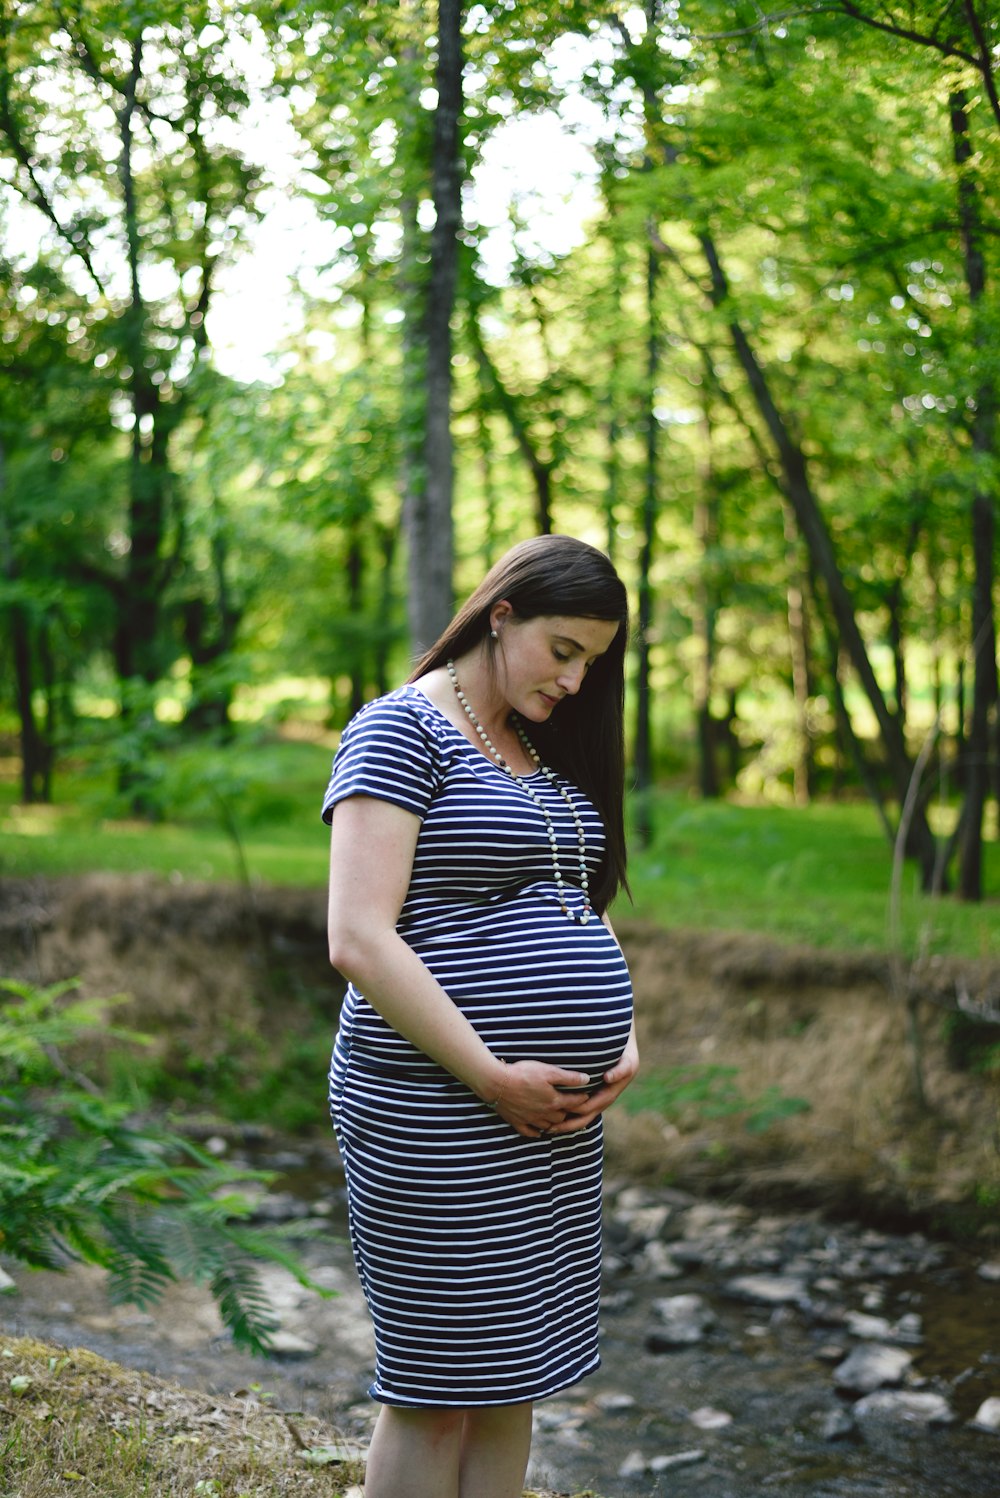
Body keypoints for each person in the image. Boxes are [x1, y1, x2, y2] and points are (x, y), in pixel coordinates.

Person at [322, 533, 638, 1498]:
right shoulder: (398, 731)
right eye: (565, 649)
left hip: (545, 1122)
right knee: (437, 1389)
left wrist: (622, 1036)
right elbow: (359, 937)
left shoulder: (539, 747)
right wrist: (491, 1074)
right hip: (433, 1106)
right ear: (501, 615)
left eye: (594, 659)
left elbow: (573, 903)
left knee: (513, 1383)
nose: (578, 680)